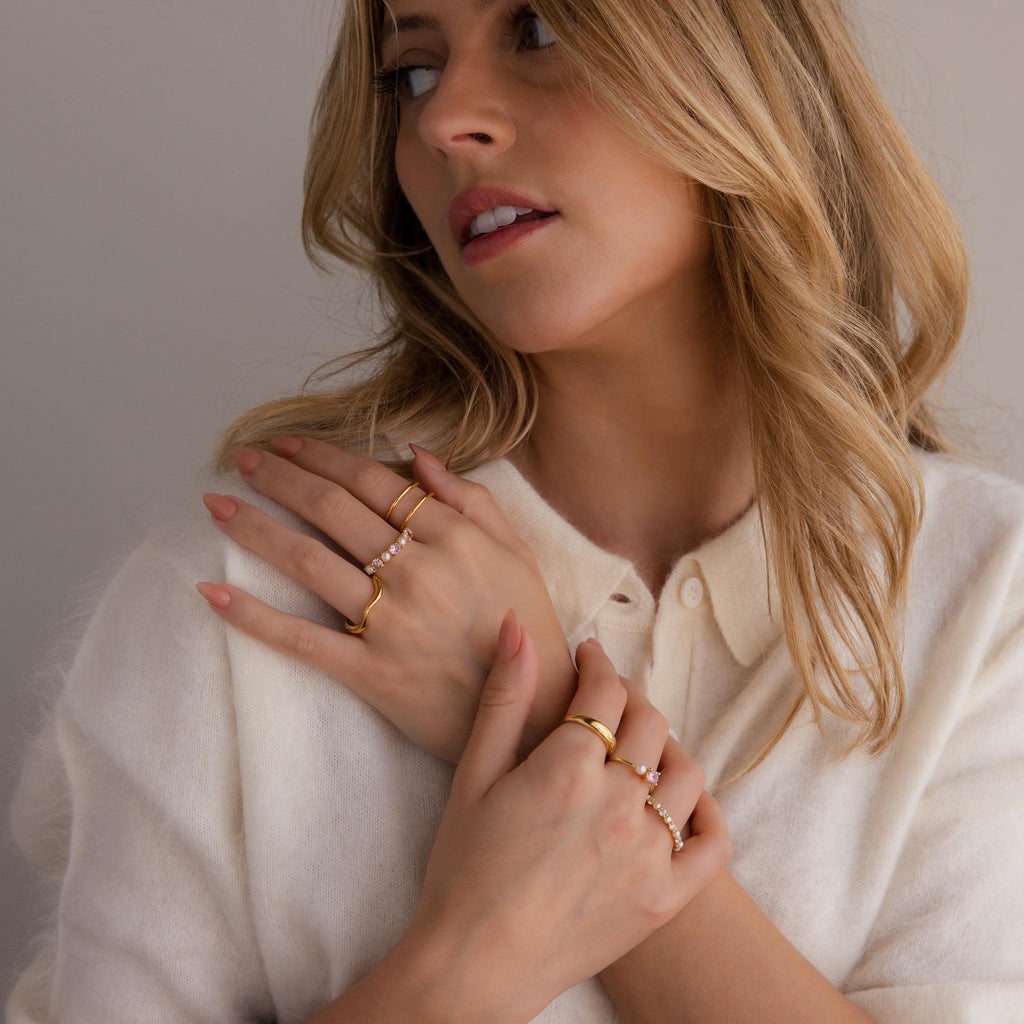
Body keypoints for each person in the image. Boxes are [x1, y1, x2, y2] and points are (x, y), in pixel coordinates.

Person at [8, 0, 1024, 1021]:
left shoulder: (986, 597)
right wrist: (466, 963)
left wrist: (541, 719)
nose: (444, 117)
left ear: (737, 57)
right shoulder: (245, 591)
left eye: (538, 30)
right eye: (411, 71)